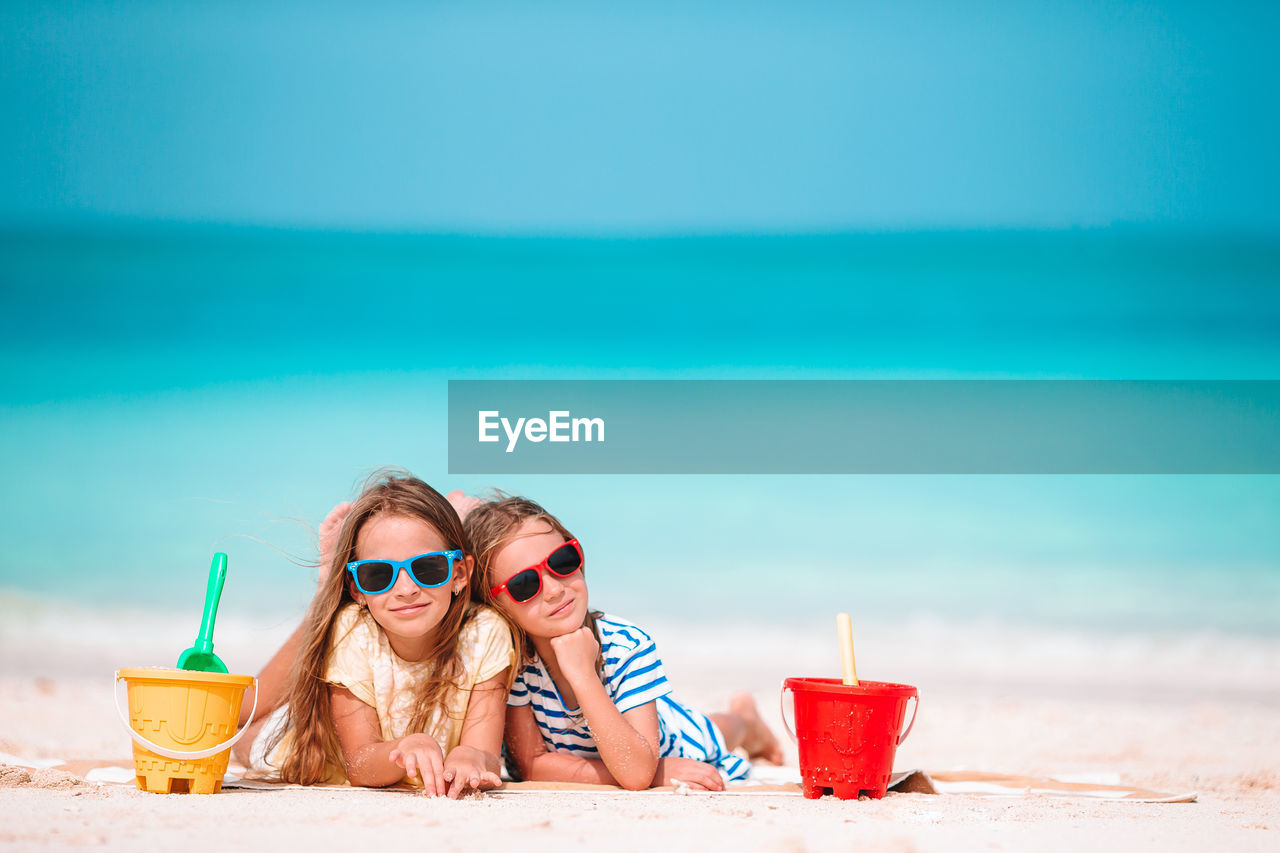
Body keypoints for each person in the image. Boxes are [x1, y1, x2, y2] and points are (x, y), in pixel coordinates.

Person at [463, 494, 783, 792]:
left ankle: (747, 720)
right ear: (493, 604)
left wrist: (583, 675)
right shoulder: (513, 659)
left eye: (561, 562)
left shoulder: (626, 646)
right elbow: (528, 766)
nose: (554, 590)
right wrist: (653, 771)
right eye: (524, 583)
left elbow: (634, 772)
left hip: (670, 738)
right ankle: (745, 718)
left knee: (711, 732)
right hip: (640, 755)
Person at [233, 472, 515, 798]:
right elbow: (361, 763)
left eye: (428, 568)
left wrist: (473, 756)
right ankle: (327, 591)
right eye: (378, 575)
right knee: (240, 725)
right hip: (301, 745)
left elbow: (487, 756)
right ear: (357, 590)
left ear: (460, 573)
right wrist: (405, 749)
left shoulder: (486, 632)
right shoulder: (354, 631)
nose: (407, 589)